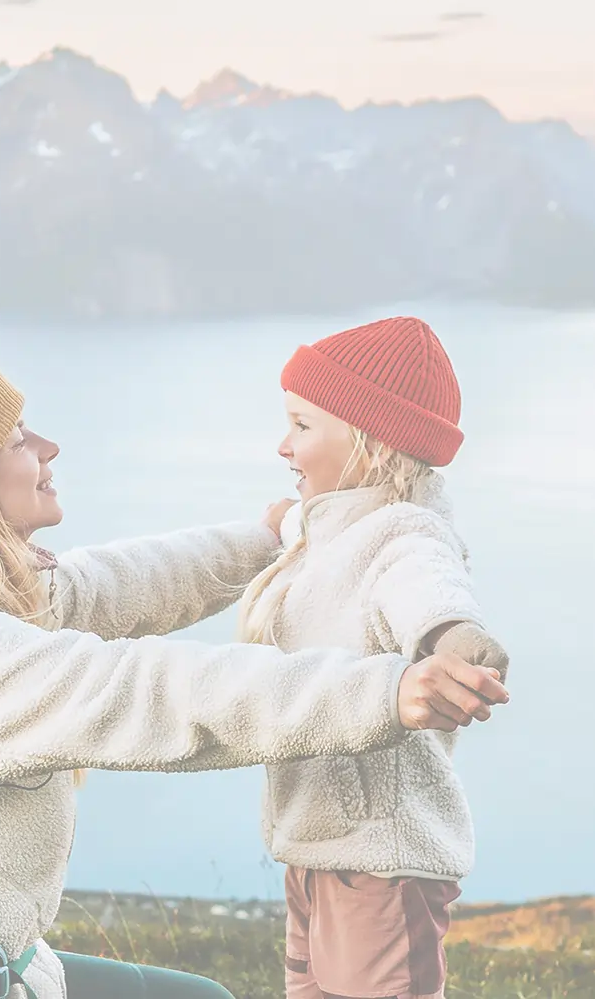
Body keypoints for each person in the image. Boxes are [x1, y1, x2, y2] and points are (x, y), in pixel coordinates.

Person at [0, 336, 510, 999]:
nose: (48, 448)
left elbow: (113, 585)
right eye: (17, 440)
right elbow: (153, 693)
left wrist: (269, 539)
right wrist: (387, 690)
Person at [237, 317, 507, 999]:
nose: (282, 445)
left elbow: (429, 588)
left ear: (369, 442)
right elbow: (311, 534)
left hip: (383, 860)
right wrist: (283, 525)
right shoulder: (332, 522)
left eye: (301, 426)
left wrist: (455, 642)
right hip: (316, 849)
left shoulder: (404, 533)